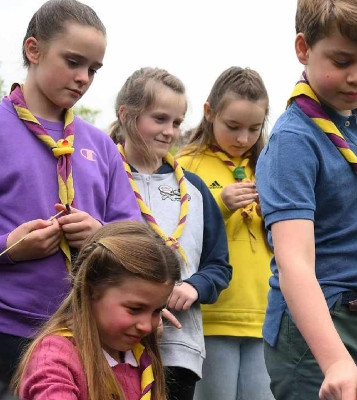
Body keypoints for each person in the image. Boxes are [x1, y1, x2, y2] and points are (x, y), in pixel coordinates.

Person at [255, 0, 357, 398]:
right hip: (318, 330)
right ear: (304, 49)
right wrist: (334, 360)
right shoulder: (294, 140)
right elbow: (294, 262)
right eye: (342, 61)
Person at [0, 0, 141, 385]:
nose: (83, 78)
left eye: (93, 69)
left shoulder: (101, 145)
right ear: (34, 50)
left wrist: (101, 236)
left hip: (81, 334)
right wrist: (10, 247)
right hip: (6, 328)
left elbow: (135, 238)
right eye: (73, 62)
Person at [109, 67, 232, 400]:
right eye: (160, 119)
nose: (169, 131)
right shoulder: (104, 176)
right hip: (113, 344)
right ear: (126, 115)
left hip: (178, 346)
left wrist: (194, 286)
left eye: (176, 122)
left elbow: (219, 265)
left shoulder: (195, 189)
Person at [176, 66, 274, 400]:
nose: (243, 138)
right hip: (211, 313)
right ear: (209, 112)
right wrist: (219, 203)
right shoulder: (186, 164)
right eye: (233, 126)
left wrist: (273, 215)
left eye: (254, 128)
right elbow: (174, 229)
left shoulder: (268, 164)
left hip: (263, 313)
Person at [13, 221, 181, 400]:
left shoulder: (139, 356)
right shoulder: (55, 358)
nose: (146, 326)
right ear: (90, 291)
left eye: (157, 311)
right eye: (135, 309)